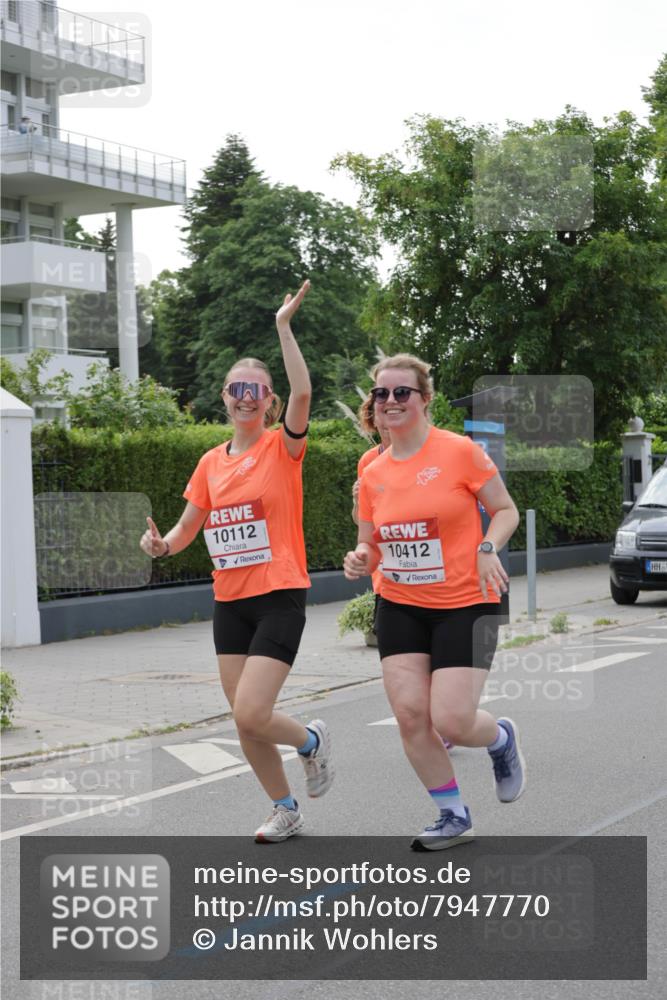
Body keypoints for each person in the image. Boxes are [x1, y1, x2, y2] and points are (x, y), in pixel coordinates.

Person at [140, 280, 333, 843]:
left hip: (278, 595)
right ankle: (284, 807)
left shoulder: (283, 447)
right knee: (243, 719)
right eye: (236, 388)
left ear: (268, 401)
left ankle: (312, 742)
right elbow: (186, 527)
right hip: (230, 602)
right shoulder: (209, 462)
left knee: (252, 711)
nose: (246, 396)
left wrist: (283, 328)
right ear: (223, 397)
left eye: (257, 389)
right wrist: (163, 547)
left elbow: (304, 393)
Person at [344, 353, 524, 850]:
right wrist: (360, 557)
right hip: (399, 601)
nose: (390, 401)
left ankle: (500, 740)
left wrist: (488, 547)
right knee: (409, 715)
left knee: (452, 720)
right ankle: (452, 813)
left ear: (425, 400)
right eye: (381, 393)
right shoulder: (371, 467)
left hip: (468, 599)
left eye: (402, 392)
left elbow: (504, 510)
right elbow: (371, 540)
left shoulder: (459, 451)